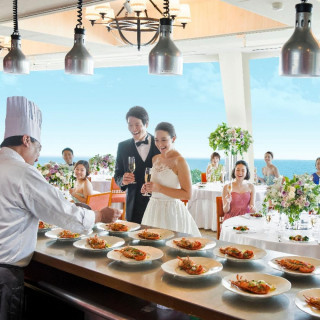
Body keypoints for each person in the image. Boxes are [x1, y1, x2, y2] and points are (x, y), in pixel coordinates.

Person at [0, 96, 122, 320]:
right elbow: (62, 213)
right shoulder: (22, 171)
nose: (38, 156)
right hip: (4, 276)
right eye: (39, 146)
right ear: (26, 140)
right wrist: (99, 215)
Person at [141, 122, 201, 236]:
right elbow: (155, 184)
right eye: (157, 140)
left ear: (173, 138)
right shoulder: (155, 159)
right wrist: (148, 188)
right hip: (153, 209)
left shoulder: (180, 161)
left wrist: (159, 188)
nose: (159, 144)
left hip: (171, 212)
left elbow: (187, 194)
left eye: (164, 140)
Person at [114, 106, 160, 223]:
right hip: (133, 204)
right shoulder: (122, 147)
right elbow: (117, 174)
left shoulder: (160, 144)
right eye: (130, 125)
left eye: (137, 124)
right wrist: (123, 181)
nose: (133, 128)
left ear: (146, 124)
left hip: (157, 202)